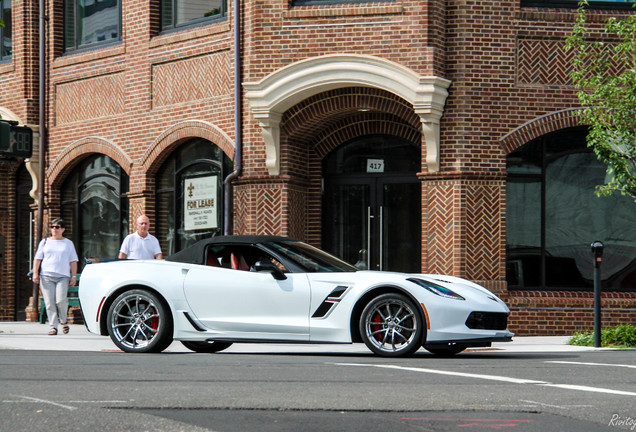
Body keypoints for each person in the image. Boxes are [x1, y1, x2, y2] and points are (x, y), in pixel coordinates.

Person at [32, 218, 79, 336]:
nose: (54, 229)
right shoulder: (45, 242)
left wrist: (73, 276)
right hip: (46, 276)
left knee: (61, 300)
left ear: (63, 229)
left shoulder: (68, 243)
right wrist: (35, 273)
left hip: (62, 276)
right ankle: (53, 327)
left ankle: (63, 321)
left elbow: (73, 261)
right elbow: (38, 258)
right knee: (49, 302)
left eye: (57, 227)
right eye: (52, 227)